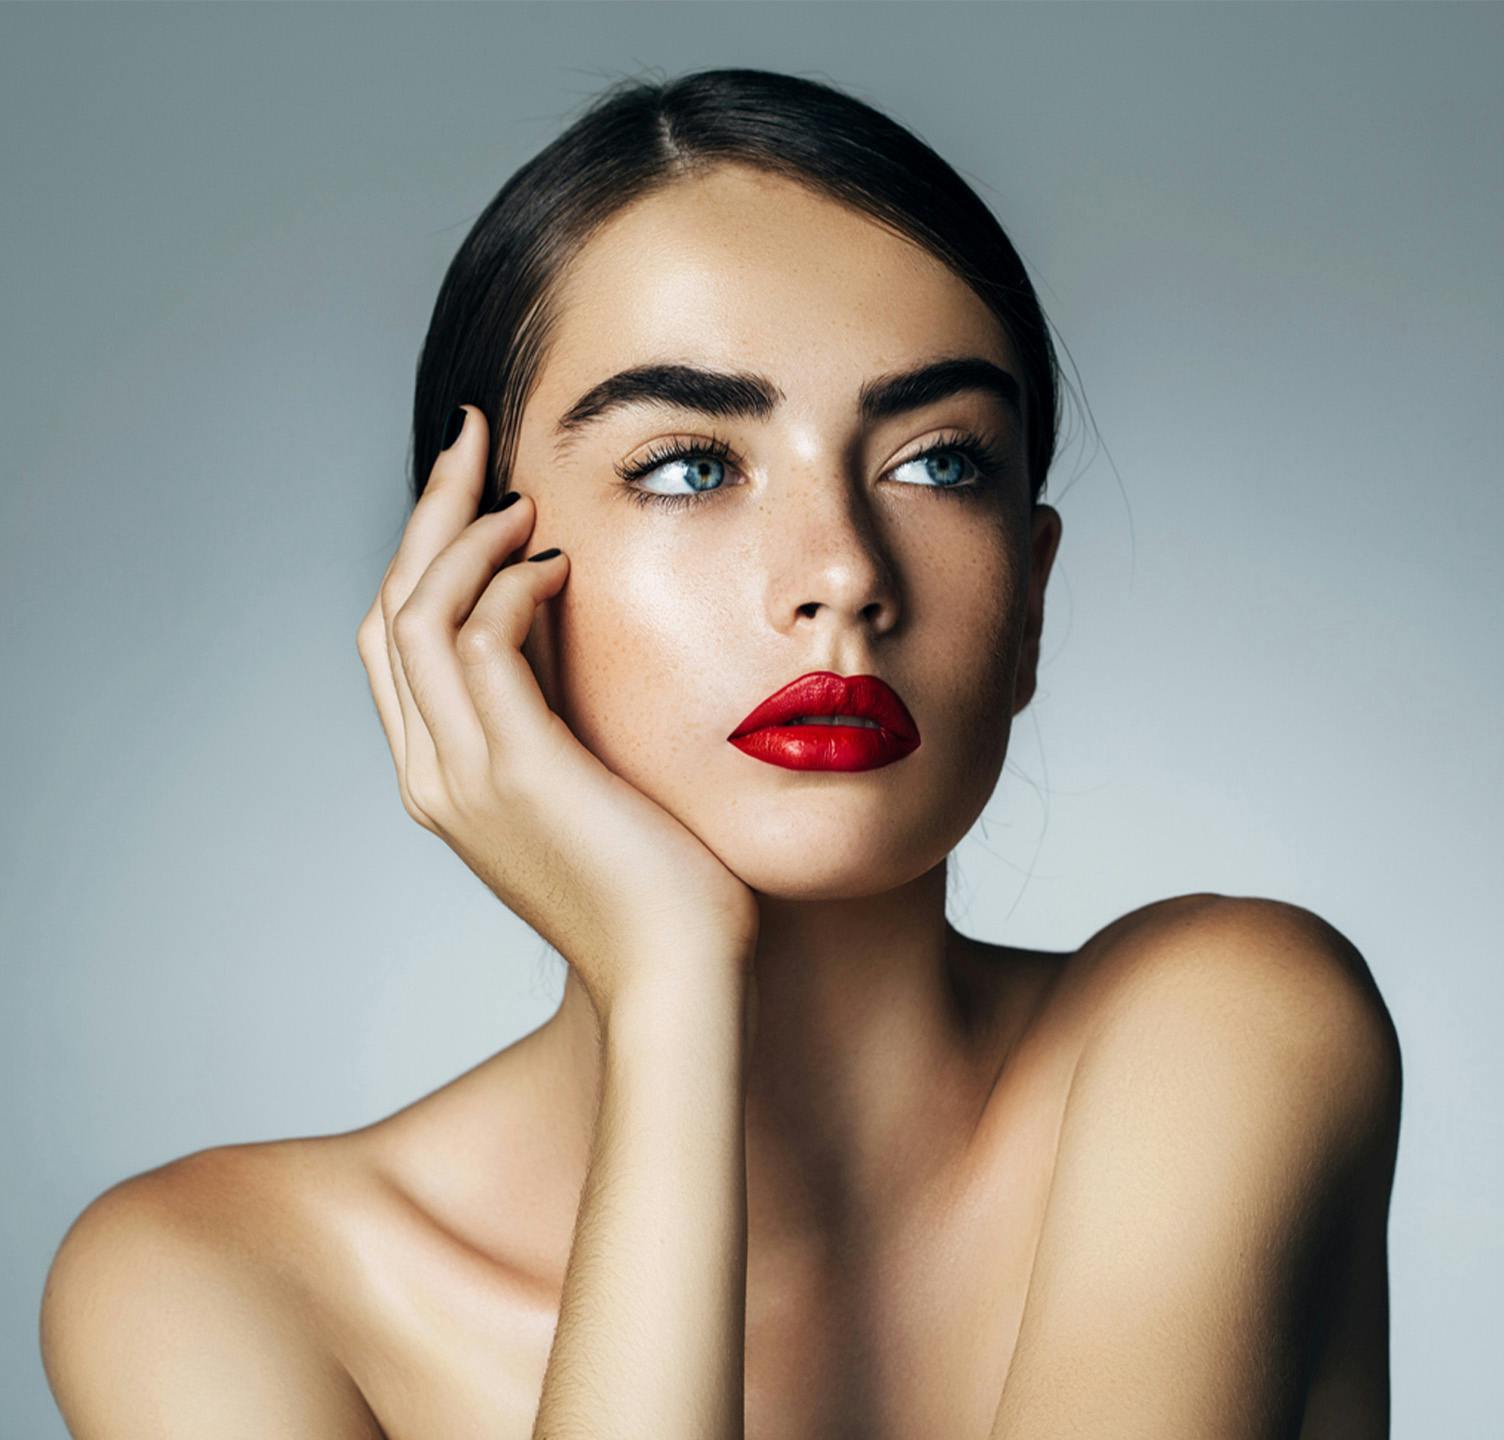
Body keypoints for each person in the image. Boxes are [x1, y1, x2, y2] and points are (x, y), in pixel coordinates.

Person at [40, 67, 1402, 1439]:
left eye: (937, 461)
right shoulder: (218, 1289)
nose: (841, 575)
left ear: (1032, 597)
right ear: (470, 594)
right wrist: (673, 985)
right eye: (691, 463)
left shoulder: (1225, 1032)